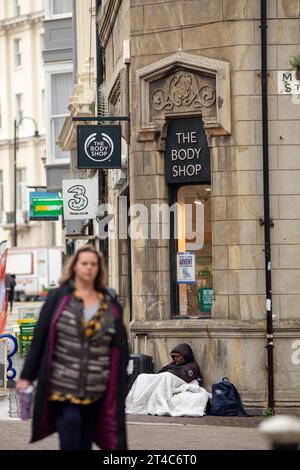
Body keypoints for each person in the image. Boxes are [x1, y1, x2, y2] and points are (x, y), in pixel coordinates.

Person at [16, 245, 129, 450]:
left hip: (96, 387)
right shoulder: (59, 297)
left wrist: (120, 381)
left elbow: (120, 346)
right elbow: (40, 338)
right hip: (63, 384)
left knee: (85, 441)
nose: (88, 268)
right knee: (70, 425)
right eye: (84, 263)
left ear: (99, 269)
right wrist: (27, 376)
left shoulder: (109, 303)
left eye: (93, 264)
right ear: (74, 266)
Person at [126, 343, 206, 417]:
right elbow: (160, 373)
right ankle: (138, 404)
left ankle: (156, 403)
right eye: (174, 357)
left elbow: (182, 376)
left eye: (178, 356)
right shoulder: (172, 365)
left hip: (173, 379)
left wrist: (168, 374)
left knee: (166, 376)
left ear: (185, 356)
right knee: (142, 377)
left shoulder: (192, 366)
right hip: (165, 377)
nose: (176, 359)